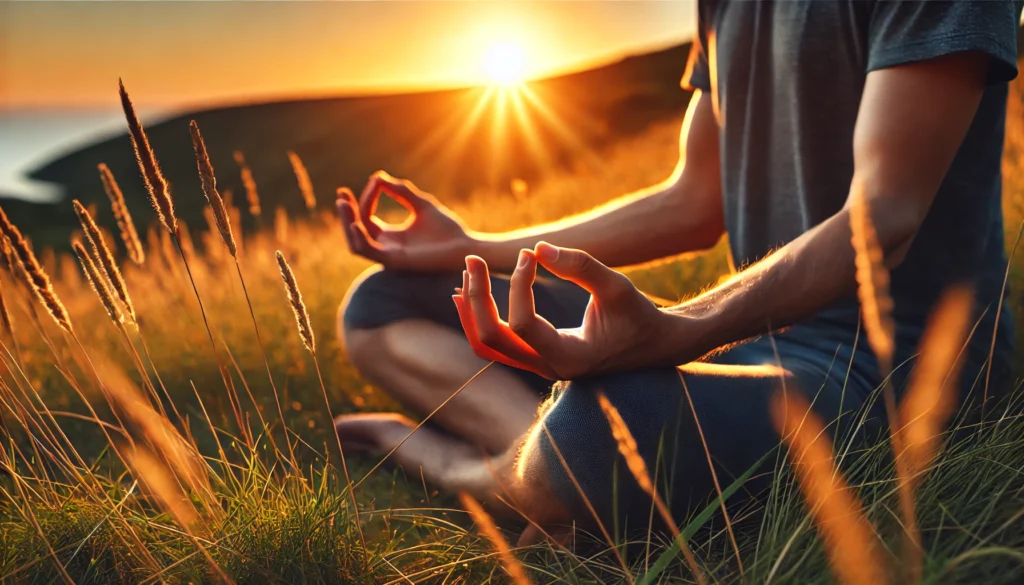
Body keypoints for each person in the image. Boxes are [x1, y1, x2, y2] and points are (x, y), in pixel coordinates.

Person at [335, 1, 1023, 544]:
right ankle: (541, 467)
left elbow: (884, 216)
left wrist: (675, 332)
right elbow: (694, 200)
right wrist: (470, 245)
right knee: (381, 302)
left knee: (594, 429)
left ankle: (466, 467)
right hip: (755, 340)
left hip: (897, 368)